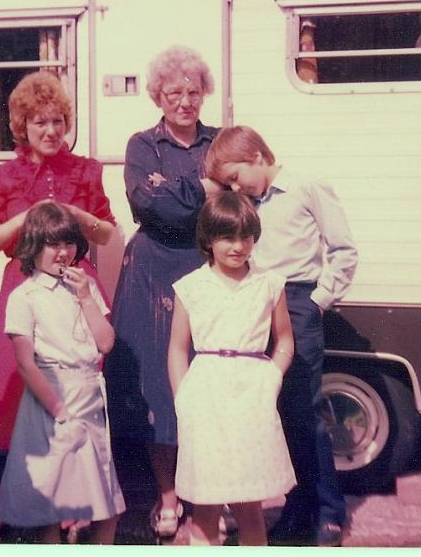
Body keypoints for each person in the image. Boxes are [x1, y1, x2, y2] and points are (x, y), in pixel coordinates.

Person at [206, 125, 358, 547]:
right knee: (272, 412)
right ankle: (296, 506)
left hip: (296, 301)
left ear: (256, 156)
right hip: (257, 305)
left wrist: (318, 302)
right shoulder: (246, 202)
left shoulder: (307, 186)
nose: (235, 187)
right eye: (228, 183)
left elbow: (344, 249)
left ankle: (329, 511)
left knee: (303, 410)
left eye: (236, 176)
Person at [103, 45, 223, 539]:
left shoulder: (221, 141)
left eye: (193, 91)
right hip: (151, 276)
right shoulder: (140, 145)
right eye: (175, 92)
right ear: (159, 95)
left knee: (206, 383)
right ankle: (169, 496)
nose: (185, 101)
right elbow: (149, 207)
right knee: (158, 385)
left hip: (208, 269)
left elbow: (239, 203)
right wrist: (205, 188)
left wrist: (182, 191)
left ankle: (207, 500)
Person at [0, 71, 117, 451]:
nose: (51, 130)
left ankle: (82, 472)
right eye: (40, 122)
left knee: (80, 374)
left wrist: (77, 214)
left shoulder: (86, 171)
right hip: (22, 283)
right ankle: (29, 482)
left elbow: (106, 233)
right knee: (22, 378)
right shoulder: (2, 177)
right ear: (23, 126)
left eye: (58, 121)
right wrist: (28, 217)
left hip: (76, 283)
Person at [168, 191, 296, 546]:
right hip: (205, 398)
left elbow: (284, 341)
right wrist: (184, 399)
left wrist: (272, 376)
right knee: (205, 506)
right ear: (208, 239)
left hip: (251, 398)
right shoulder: (191, 287)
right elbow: (177, 350)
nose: (238, 246)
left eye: (246, 236)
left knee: (248, 506)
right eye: (227, 237)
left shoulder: (269, 284)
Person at [0, 201, 126, 543]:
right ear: (34, 247)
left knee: (105, 507)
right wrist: (59, 411)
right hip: (50, 403)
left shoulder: (86, 288)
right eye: (53, 244)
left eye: (68, 243)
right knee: (50, 508)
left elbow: (106, 343)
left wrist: (85, 298)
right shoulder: (25, 296)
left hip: (88, 399)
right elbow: (25, 363)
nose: (63, 252)